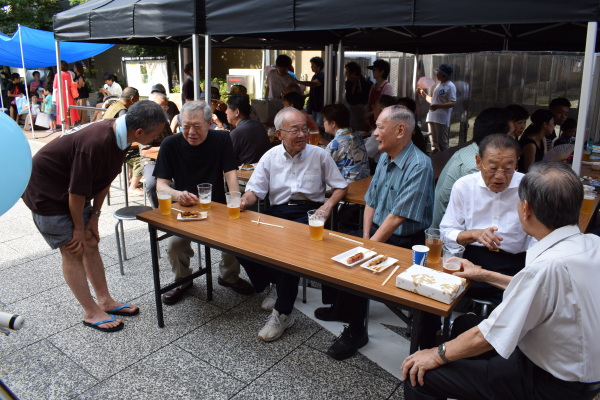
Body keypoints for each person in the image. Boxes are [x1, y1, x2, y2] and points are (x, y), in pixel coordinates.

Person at [402, 161, 600, 400]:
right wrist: (482, 274)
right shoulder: (591, 244)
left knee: (418, 375)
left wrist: (435, 355)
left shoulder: (545, 268)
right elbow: (543, 291)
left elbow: (486, 336)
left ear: (525, 208)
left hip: (549, 383)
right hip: (582, 372)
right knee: (466, 323)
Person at [21, 101, 167, 332]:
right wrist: (78, 228)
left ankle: (105, 301)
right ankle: (90, 311)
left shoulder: (122, 136)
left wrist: (95, 217)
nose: (158, 137)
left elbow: (105, 179)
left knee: (91, 241)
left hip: (70, 190)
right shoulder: (97, 142)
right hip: (47, 193)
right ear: (139, 132)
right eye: (157, 133)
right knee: (74, 247)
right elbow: (76, 192)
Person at [316, 105, 434, 360]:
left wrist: (368, 249)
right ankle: (341, 308)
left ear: (400, 130)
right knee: (334, 246)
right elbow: (371, 200)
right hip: (380, 231)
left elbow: (397, 217)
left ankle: (357, 331)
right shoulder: (384, 157)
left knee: (357, 266)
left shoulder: (419, 165)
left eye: (380, 127)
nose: (375, 133)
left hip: (406, 240)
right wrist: (366, 239)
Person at [238, 107, 348, 342]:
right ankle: (275, 284)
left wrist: (327, 207)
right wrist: (243, 201)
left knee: (289, 251)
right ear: (279, 134)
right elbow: (254, 190)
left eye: (305, 129)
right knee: (237, 242)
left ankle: (283, 313)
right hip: (277, 211)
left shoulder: (319, 155)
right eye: (294, 130)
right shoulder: (270, 157)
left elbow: (340, 186)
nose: (302, 135)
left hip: (307, 213)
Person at [153, 101, 254, 305]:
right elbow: (160, 186)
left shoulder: (222, 139)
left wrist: (235, 201)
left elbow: (231, 176)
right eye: (186, 125)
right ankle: (183, 281)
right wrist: (177, 194)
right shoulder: (170, 145)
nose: (191, 132)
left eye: (197, 126)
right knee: (174, 245)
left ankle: (228, 276)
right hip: (184, 209)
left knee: (236, 235)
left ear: (210, 124)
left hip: (215, 205)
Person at [440, 134, 533, 303]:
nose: (499, 176)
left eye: (507, 168)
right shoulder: (464, 186)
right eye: (492, 168)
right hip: (470, 260)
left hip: (513, 263)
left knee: (514, 311)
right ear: (478, 162)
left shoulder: (528, 187)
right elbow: (446, 231)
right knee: (431, 292)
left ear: (517, 162)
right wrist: (473, 234)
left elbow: (536, 238)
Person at [431, 108, 512, 229]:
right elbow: (487, 215)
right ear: (497, 138)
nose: (513, 141)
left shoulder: (472, 149)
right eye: (510, 136)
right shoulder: (477, 168)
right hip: (449, 238)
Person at [140, 92, 173, 208]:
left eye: (165, 106)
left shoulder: (164, 122)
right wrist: (163, 147)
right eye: (160, 106)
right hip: (150, 161)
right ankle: (155, 210)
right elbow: (144, 151)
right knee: (151, 183)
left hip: (168, 159)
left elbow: (171, 139)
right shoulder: (144, 123)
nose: (163, 109)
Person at [322, 103, 369, 182]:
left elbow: (322, 166)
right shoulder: (356, 134)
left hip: (348, 185)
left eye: (324, 120)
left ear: (332, 123)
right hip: (364, 180)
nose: (323, 123)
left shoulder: (336, 143)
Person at [418, 64, 457, 154]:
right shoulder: (439, 85)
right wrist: (423, 94)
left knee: (442, 144)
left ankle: (447, 164)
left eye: (438, 73)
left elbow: (453, 103)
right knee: (433, 144)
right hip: (432, 117)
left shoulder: (450, 86)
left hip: (441, 119)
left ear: (444, 74)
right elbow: (433, 100)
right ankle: (435, 164)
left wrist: (437, 106)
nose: (436, 74)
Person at [225, 94, 271, 166]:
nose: (226, 112)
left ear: (237, 112)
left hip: (246, 175)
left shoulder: (236, 133)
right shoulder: (259, 126)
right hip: (264, 171)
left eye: (227, 108)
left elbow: (226, 160)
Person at [364, 94, 398, 167]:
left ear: (382, 110)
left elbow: (366, 152)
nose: (373, 110)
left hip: (382, 167)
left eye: (375, 107)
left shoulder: (382, 129)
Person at [295, 56, 324, 124]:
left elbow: (314, 84)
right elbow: (314, 89)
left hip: (319, 105)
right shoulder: (315, 76)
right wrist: (307, 95)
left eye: (313, 65)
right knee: (312, 124)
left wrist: (298, 82)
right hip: (313, 105)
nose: (311, 67)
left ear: (318, 66)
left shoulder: (321, 75)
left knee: (318, 125)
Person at [365, 59, 393, 129]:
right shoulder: (373, 86)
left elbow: (385, 107)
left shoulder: (387, 86)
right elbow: (369, 103)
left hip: (381, 122)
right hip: (371, 122)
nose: (373, 72)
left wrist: (370, 114)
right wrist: (366, 116)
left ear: (382, 72)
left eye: (375, 70)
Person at [344, 61, 372, 132]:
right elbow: (348, 98)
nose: (346, 75)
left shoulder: (367, 83)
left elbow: (364, 99)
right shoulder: (349, 83)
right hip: (352, 111)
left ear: (353, 73)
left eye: (347, 72)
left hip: (362, 112)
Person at [53, 60, 80, 130]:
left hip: (60, 95)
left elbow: (55, 86)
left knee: (63, 111)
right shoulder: (69, 74)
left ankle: (67, 128)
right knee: (71, 110)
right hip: (69, 94)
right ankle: (73, 125)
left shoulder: (57, 75)